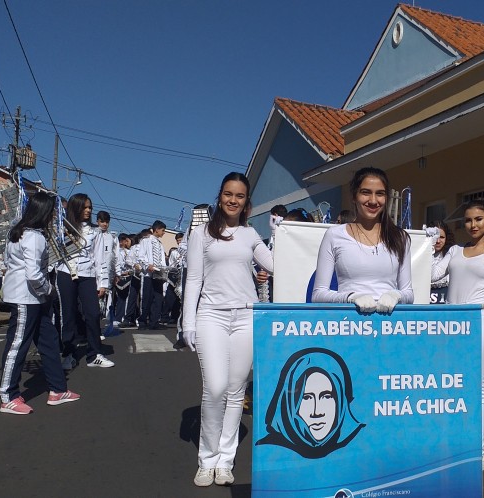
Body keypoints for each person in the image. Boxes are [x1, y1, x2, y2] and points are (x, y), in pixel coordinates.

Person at [181, 172, 273, 487]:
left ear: (247, 202)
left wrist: (287, 235)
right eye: (228, 194)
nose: (233, 200)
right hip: (211, 316)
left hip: (247, 316)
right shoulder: (203, 233)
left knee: (235, 392)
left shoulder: (250, 235)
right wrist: (188, 322)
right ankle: (206, 459)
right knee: (215, 388)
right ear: (220, 195)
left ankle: (225, 460)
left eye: (240, 196)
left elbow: (275, 264)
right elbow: (193, 279)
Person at [429, 199, 484, 470]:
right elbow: (431, 276)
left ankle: (479, 451)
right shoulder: (454, 251)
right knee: (448, 384)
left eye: (478, 219)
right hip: (449, 327)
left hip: (479, 325)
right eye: (467, 220)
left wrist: (478, 303)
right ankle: (450, 443)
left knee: (479, 389)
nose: (472, 225)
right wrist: (428, 246)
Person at [0, 191, 79, 415]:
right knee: (18, 345)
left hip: (31, 297)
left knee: (49, 341)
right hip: (27, 298)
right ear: (44, 212)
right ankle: (8, 396)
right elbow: (33, 274)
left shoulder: (18, 232)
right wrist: (49, 290)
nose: (55, 215)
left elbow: (11, 263)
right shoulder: (34, 237)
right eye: (53, 211)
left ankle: (57, 389)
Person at [311, 167, 412, 313]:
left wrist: (396, 295)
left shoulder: (400, 238)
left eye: (380, 194)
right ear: (354, 196)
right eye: (365, 192)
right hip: (349, 324)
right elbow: (318, 294)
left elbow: (408, 293)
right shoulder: (334, 235)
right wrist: (350, 297)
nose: (373, 200)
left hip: (389, 327)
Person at [257, 347, 365, 458]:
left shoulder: (362, 443)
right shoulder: (268, 451)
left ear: (341, 400)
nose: (316, 412)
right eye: (306, 398)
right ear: (288, 402)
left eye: (326, 397)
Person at [56, 193, 114, 370]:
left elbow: (100, 259)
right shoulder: (61, 227)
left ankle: (94, 354)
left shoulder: (95, 232)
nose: (88, 210)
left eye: (90, 207)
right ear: (76, 207)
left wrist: (102, 282)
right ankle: (69, 354)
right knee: (68, 315)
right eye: (85, 207)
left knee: (93, 313)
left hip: (88, 276)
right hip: (65, 273)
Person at [137, 220, 167, 330]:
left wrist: (164, 270)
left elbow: (162, 260)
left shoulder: (160, 244)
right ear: (157, 229)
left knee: (158, 299)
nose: (164, 233)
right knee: (147, 299)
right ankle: (142, 321)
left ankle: (154, 322)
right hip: (148, 275)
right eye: (163, 230)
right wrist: (147, 265)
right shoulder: (145, 241)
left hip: (158, 274)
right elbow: (140, 257)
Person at [429, 221, 455, 304]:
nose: (438, 241)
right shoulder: (419, 256)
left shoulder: (451, 255)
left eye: (442, 237)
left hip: (445, 300)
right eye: (434, 237)